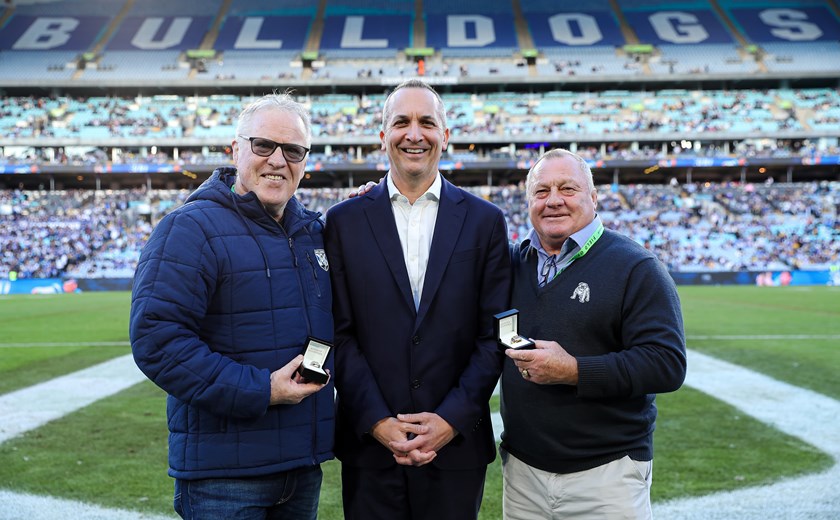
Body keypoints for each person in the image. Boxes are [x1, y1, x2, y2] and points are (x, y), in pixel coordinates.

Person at [129, 92, 334, 520]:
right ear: (235, 149)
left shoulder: (313, 232)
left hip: (301, 465)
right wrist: (261, 390)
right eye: (263, 145)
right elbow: (156, 341)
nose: (278, 160)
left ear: (306, 160)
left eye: (293, 150)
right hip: (223, 477)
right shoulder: (189, 227)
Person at [324, 79, 511, 520]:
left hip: (456, 445)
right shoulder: (342, 221)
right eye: (401, 122)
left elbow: (495, 335)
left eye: (427, 122)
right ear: (382, 136)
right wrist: (377, 421)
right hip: (371, 449)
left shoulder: (486, 221)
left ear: (445, 135)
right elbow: (339, 332)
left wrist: (449, 420)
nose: (414, 134)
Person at [501, 148, 687, 519]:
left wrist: (574, 370)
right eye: (541, 192)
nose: (554, 200)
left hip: (607, 475)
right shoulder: (509, 263)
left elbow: (667, 363)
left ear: (593, 196)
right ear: (528, 202)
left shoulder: (636, 266)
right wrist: (378, 202)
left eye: (567, 188)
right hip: (523, 474)